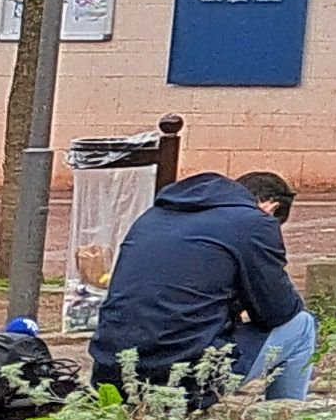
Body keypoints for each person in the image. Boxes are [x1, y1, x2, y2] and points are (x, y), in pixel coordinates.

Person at [90, 168, 312, 407]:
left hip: (111, 373)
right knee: (302, 326)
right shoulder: (254, 223)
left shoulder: (153, 216)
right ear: (272, 208)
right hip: (184, 378)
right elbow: (278, 311)